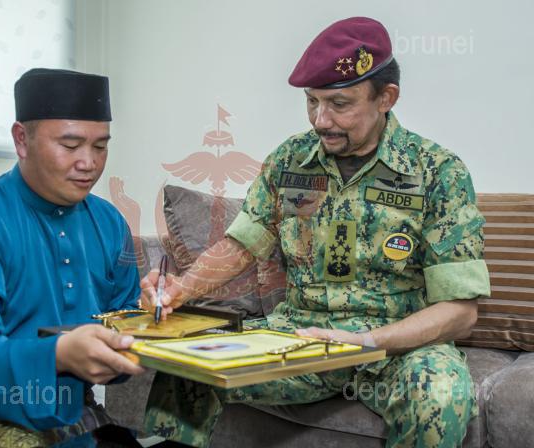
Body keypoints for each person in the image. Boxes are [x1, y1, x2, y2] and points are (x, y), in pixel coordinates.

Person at [139, 17, 490, 448]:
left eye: (339, 104)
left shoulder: (437, 171)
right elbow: (242, 244)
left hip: (396, 344)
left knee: (440, 394)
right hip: (302, 333)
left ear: (386, 98)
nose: (321, 120)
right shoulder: (290, 160)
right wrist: (181, 289)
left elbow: (460, 311)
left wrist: (365, 341)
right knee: (185, 366)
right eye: (312, 102)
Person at [0, 68, 144, 447]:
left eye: (100, 147)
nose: (89, 163)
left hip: (61, 396)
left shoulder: (110, 223)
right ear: (21, 140)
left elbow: (122, 319)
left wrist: (152, 322)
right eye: (70, 145)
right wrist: (55, 356)